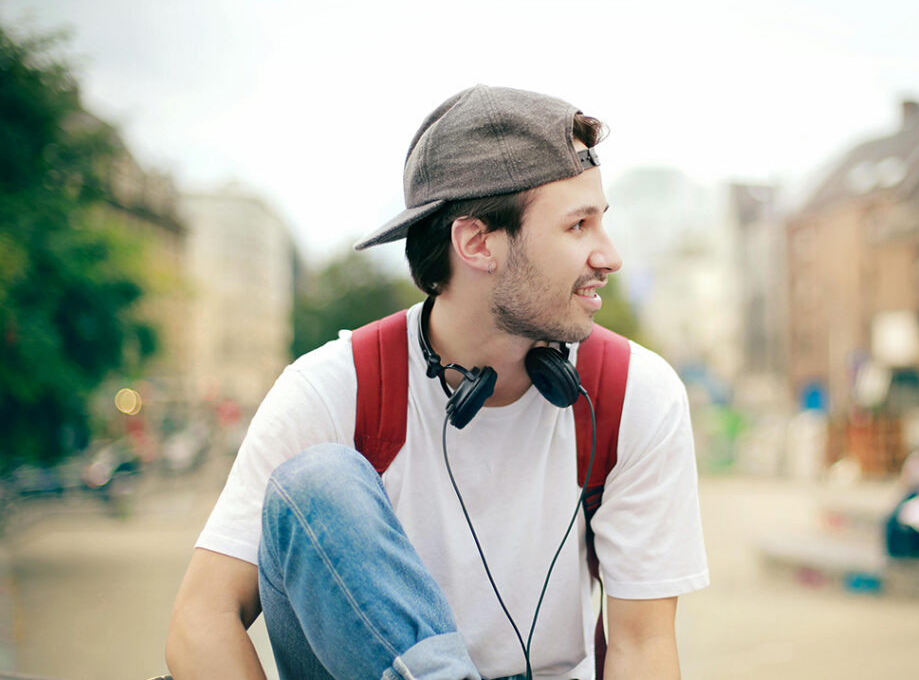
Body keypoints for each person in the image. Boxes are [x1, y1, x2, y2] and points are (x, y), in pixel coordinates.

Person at [166, 85, 709, 680]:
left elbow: (642, 644)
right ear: (476, 243)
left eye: (601, 221)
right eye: (578, 225)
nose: (610, 256)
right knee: (318, 482)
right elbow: (202, 619)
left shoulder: (633, 393)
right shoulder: (333, 388)